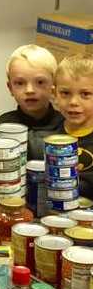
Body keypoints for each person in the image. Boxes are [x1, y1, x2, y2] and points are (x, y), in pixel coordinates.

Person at [0, 44, 62, 160]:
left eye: (40, 82)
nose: (29, 90)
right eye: (20, 83)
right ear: (10, 88)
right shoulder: (2, 126)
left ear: (54, 85)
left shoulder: (66, 125)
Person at [55, 54, 93, 199]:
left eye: (85, 94)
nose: (73, 102)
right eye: (65, 93)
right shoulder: (50, 135)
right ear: (54, 93)